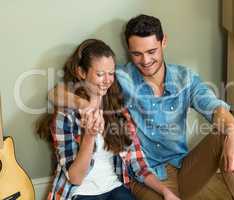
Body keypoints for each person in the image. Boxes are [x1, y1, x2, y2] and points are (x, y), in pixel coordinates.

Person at [48, 15, 234, 200]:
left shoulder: (184, 78)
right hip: (146, 175)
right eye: (137, 54)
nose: (146, 60)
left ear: (164, 42)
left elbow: (216, 109)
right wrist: (86, 107)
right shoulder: (117, 77)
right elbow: (56, 92)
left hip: (183, 166)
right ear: (129, 51)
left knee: (225, 136)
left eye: (152, 51)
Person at [36, 39, 181, 200]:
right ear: (82, 72)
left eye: (111, 73)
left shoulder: (119, 112)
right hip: (79, 193)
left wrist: (166, 191)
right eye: (100, 74)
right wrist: (89, 137)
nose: (107, 80)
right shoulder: (65, 116)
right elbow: (75, 178)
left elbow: (139, 165)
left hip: (114, 188)